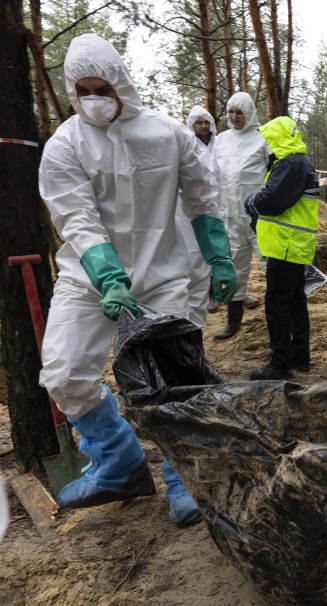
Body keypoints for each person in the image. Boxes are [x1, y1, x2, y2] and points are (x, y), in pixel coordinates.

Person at [37, 34, 238, 526]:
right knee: (63, 371)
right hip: (89, 278)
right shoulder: (65, 143)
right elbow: (76, 218)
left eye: (101, 86)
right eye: (82, 90)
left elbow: (202, 196)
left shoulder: (168, 134)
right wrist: (107, 276)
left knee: (176, 376)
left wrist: (220, 258)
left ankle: (180, 474)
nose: (93, 99)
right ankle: (119, 461)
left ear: (121, 82)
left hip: (163, 276)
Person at [243, 116, 320, 380]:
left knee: (277, 304)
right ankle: (300, 356)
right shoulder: (297, 162)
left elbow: (274, 200)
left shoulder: (291, 163)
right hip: (293, 244)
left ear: (279, 137)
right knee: (295, 301)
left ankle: (280, 364)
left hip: (285, 244)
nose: (267, 144)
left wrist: (250, 202)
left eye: (270, 138)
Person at [213, 91, 271, 339]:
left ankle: (280, 319)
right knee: (235, 269)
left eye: (240, 112)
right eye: (231, 112)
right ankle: (233, 321)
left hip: (261, 217)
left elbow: (274, 172)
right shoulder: (221, 140)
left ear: (249, 113)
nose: (235, 117)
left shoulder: (263, 138)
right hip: (232, 217)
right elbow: (214, 176)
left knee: (272, 267)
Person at [174, 105, 221, 326]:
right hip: (194, 207)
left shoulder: (219, 144)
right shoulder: (187, 145)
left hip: (221, 203)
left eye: (205, 122)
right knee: (201, 252)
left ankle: (232, 290)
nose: (202, 126)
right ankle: (210, 293)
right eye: (198, 122)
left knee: (227, 249)